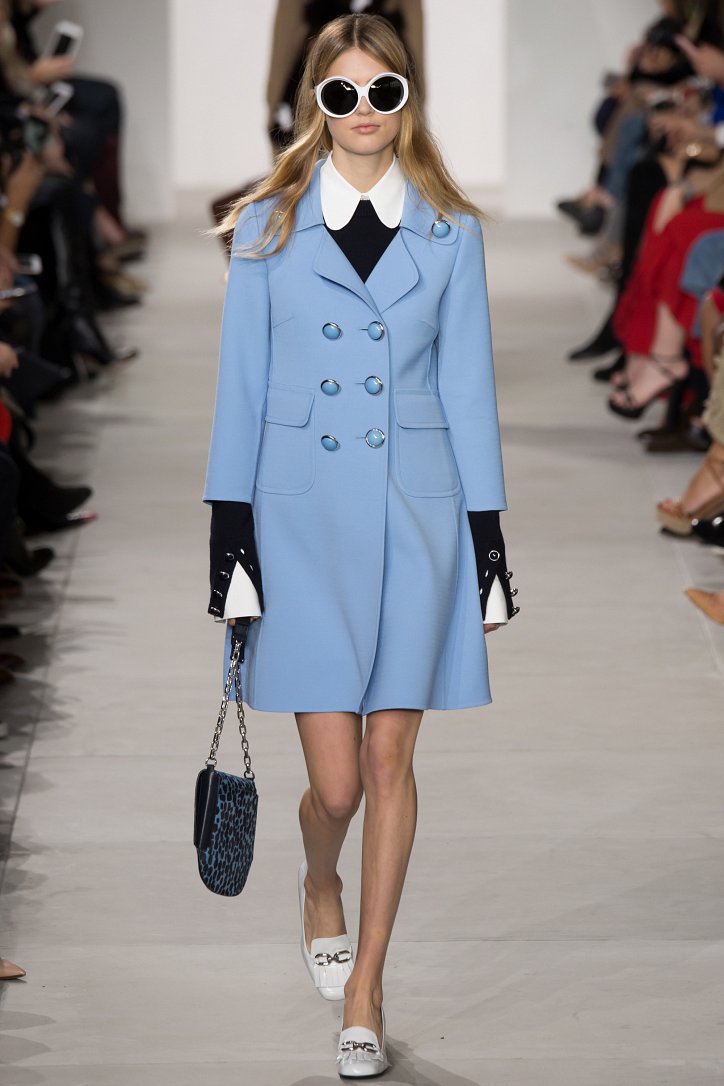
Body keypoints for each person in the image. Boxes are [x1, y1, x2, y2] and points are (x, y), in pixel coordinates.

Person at [203, 12, 518, 1078]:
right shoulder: (267, 225)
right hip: (297, 521)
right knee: (335, 787)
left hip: (417, 517)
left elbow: (467, 389)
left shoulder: (451, 231)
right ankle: (319, 878)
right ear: (318, 104)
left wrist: (487, 539)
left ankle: (368, 988)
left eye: (384, 91)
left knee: (390, 761)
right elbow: (242, 387)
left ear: (406, 100)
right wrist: (228, 531)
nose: (365, 111)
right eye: (343, 93)